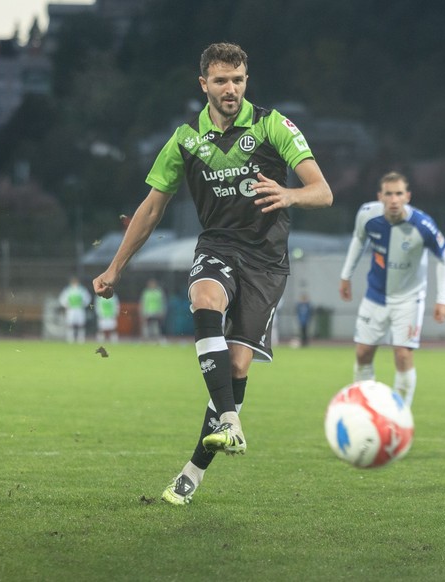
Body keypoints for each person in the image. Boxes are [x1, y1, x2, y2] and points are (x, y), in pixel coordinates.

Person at [93, 42, 332, 505]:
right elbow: (150, 210)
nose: (231, 89)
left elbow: (322, 191)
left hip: (267, 261)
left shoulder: (271, 124)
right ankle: (231, 420)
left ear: (247, 81)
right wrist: (115, 267)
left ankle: (193, 471)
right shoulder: (184, 139)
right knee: (205, 298)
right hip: (219, 245)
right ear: (203, 83)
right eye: (221, 80)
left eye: (238, 80)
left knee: (237, 367)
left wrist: (289, 194)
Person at [339, 171, 445, 408]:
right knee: (362, 354)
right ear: (380, 196)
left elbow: (444, 257)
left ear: (407, 196)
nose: (393, 199)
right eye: (388, 194)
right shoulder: (367, 215)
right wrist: (345, 275)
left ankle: (401, 413)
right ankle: (364, 408)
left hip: (409, 299)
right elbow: (359, 239)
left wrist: (442, 299)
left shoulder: (423, 225)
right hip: (375, 296)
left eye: (399, 193)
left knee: (402, 354)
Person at [58, 276, 91, 344]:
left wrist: (84, 304)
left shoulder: (82, 290)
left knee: (81, 324)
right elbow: (62, 299)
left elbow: (88, 298)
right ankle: (70, 338)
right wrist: (66, 305)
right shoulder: (68, 290)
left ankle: (81, 338)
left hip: (79, 309)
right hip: (71, 309)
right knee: (70, 324)